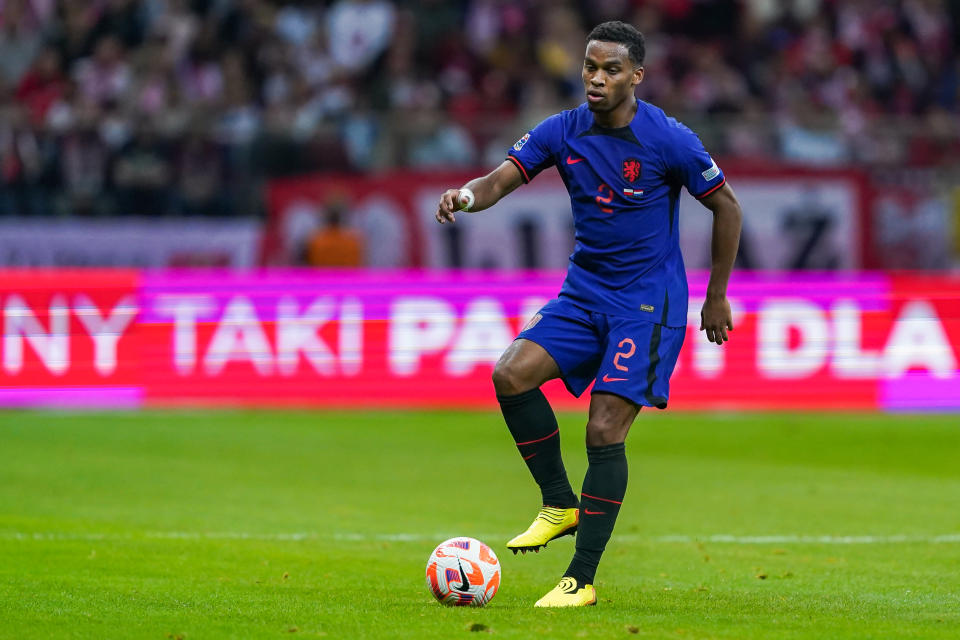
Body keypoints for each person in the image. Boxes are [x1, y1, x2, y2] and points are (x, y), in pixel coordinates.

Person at [435, 21, 742, 607]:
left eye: (611, 70)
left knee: (604, 428)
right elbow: (500, 179)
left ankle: (581, 578)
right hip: (584, 295)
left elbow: (726, 207)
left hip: (647, 305)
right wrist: (466, 196)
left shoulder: (669, 140)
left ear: (636, 77)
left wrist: (717, 295)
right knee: (510, 374)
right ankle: (559, 502)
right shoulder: (562, 130)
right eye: (590, 67)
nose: (597, 79)